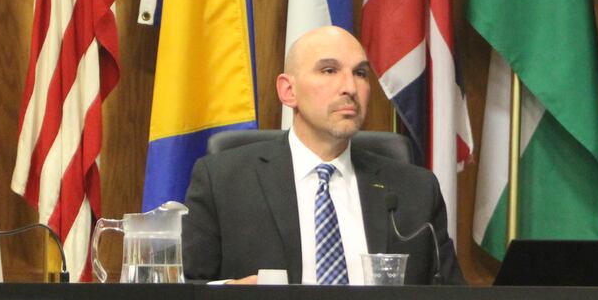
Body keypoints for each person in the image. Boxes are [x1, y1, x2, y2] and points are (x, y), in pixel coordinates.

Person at [183, 25, 462, 285]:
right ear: (288, 91)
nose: (350, 88)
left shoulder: (415, 189)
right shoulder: (223, 181)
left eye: (361, 73)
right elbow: (184, 296)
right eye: (329, 70)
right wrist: (228, 294)